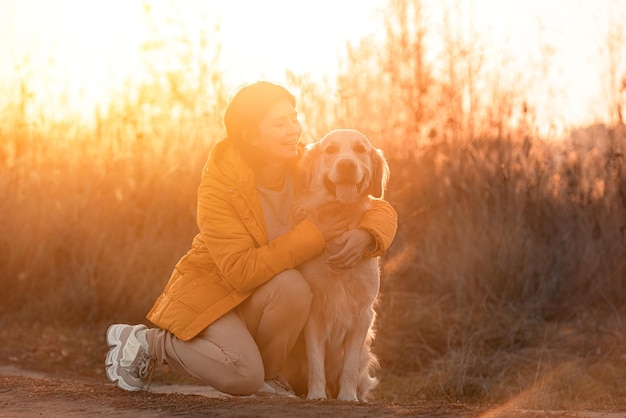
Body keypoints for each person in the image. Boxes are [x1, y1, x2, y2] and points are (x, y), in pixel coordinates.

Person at [104, 81, 398, 397]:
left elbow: (376, 205)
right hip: (219, 295)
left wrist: (367, 235)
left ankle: (270, 378)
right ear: (251, 136)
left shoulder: (304, 164)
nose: (293, 130)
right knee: (243, 374)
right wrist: (314, 235)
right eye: (279, 123)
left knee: (294, 289)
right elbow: (240, 271)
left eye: (293, 119)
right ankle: (149, 342)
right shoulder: (219, 187)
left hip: (269, 295)